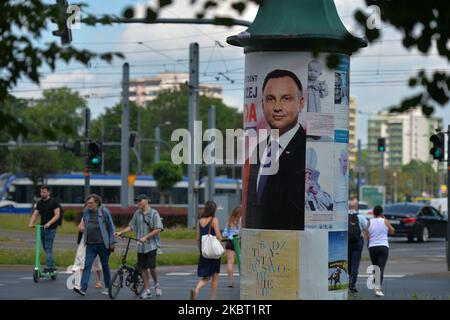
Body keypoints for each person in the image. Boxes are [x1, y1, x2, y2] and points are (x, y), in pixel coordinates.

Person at [245, 69, 306, 230]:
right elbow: (253, 205)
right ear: (263, 104)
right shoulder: (258, 149)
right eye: (271, 99)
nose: (277, 107)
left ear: (301, 103)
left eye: (286, 99)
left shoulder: (309, 149)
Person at [115, 194, 164, 299]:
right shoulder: (137, 213)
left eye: (140, 201)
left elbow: (159, 229)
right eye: (137, 201)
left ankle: (156, 284)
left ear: (146, 201)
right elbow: (131, 226)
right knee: (143, 268)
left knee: (152, 267)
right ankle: (147, 290)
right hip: (140, 246)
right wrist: (121, 232)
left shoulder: (154, 213)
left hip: (151, 245)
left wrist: (146, 237)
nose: (138, 203)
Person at [73, 194, 115, 296]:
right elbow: (83, 226)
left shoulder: (104, 211)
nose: (89, 205)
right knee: (87, 266)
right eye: (87, 203)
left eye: (91, 203)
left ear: (97, 203)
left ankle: (108, 287)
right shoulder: (86, 212)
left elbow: (111, 227)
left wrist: (112, 242)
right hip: (90, 244)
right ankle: (83, 288)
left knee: (105, 266)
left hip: (103, 244)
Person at [191, 201, 223, 300]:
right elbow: (218, 235)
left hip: (204, 251)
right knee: (215, 276)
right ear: (213, 209)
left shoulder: (200, 221)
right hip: (213, 252)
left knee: (206, 277)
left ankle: (196, 289)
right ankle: (213, 298)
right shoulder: (214, 219)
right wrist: (222, 245)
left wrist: (200, 250)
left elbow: (197, 238)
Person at [28, 185, 61, 273]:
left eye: (44, 192)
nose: (42, 194)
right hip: (42, 227)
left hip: (51, 228)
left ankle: (49, 267)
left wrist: (49, 223)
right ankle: (52, 266)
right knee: (45, 248)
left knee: (48, 247)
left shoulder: (54, 202)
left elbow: (57, 215)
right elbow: (35, 214)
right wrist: (31, 223)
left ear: (48, 192)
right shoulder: (39, 203)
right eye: (41, 192)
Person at [364, 205, 395, 297]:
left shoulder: (369, 222)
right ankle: (378, 289)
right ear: (381, 213)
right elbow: (392, 231)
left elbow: (366, 237)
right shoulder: (385, 221)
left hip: (372, 247)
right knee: (380, 267)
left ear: (373, 213)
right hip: (383, 247)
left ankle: (376, 281)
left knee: (375, 266)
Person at [347, 199, 367, 294]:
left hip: (347, 242)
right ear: (357, 207)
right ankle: (352, 284)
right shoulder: (361, 217)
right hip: (358, 242)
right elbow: (366, 227)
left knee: (349, 263)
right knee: (355, 263)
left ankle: (349, 278)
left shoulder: (344, 216)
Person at [222, 206, 241, 288]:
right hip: (239, 241)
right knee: (242, 262)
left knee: (230, 262)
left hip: (230, 241)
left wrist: (224, 247)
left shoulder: (229, 222)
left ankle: (230, 282)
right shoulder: (242, 221)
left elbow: (225, 235)